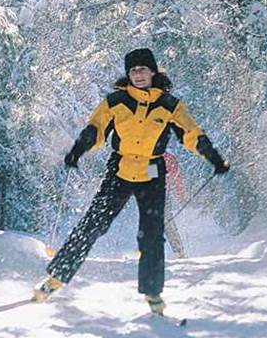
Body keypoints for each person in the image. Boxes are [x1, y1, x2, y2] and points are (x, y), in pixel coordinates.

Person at [33, 48, 229, 315]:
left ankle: (153, 294)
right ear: (128, 74)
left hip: (153, 173)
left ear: (153, 72)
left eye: (143, 69)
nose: (138, 75)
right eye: (133, 70)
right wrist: (77, 151)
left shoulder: (170, 106)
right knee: (93, 224)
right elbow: (96, 129)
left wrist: (214, 159)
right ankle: (54, 278)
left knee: (151, 235)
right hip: (120, 170)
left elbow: (192, 134)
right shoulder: (115, 102)